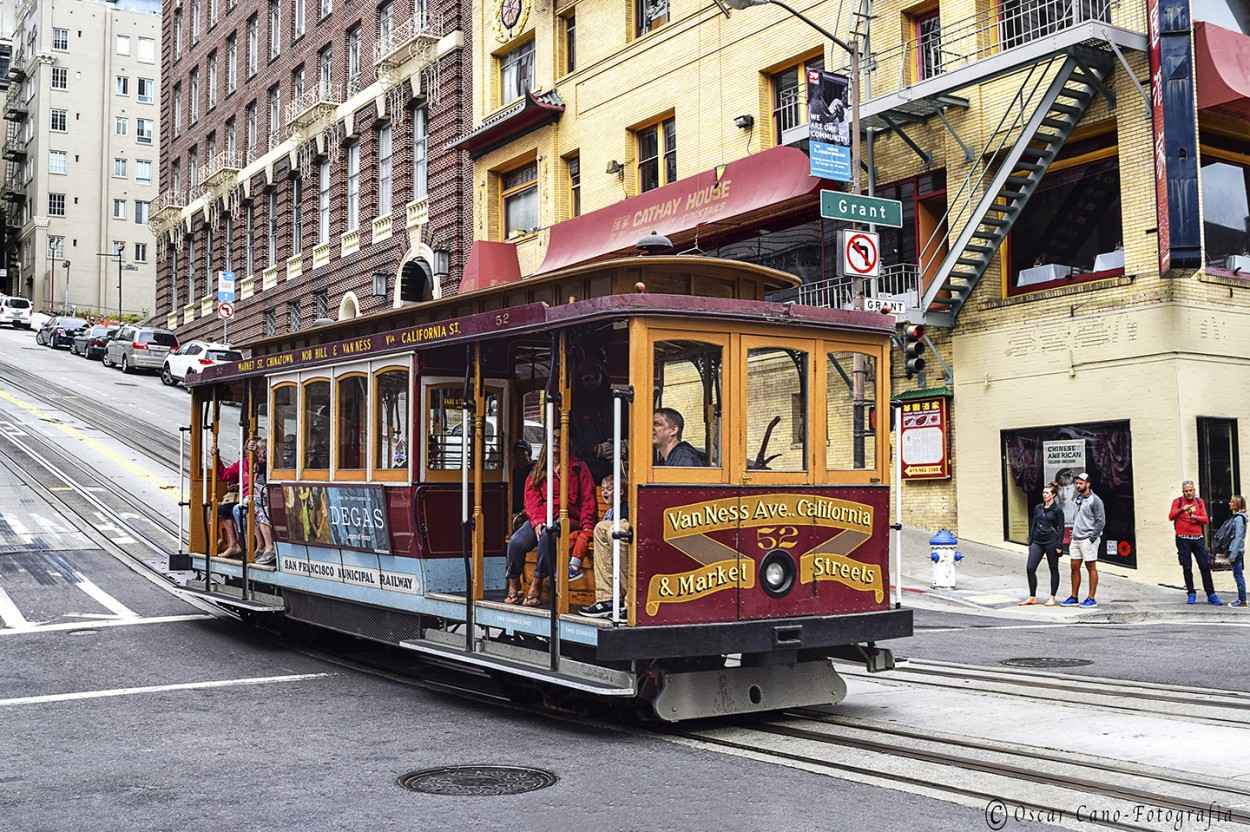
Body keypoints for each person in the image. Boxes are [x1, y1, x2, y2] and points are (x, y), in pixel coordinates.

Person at [503, 430, 595, 607]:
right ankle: (514, 583)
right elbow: (531, 499)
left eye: (560, 439)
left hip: (568, 519)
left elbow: (588, 499)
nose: (556, 441)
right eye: (553, 438)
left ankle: (537, 583)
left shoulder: (578, 468)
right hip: (542, 517)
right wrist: (537, 521)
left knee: (548, 534)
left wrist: (587, 526)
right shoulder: (538, 470)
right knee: (516, 541)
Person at [580, 473, 632, 618]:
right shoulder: (610, 510)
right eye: (603, 489)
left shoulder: (624, 507)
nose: (604, 492)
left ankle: (632, 600)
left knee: (615, 531)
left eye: (608, 489)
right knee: (601, 528)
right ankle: (607, 598)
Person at [1169, 480, 1222, 605]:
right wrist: (1182, 509)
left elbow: (1205, 519)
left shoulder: (1199, 502)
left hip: (1197, 538)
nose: (1189, 493)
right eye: (1186, 491)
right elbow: (1171, 516)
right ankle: (1191, 593)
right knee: (1187, 566)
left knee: (1204, 565)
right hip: (1182, 538)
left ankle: (1211, 594)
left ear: (1194, 490)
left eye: (1191, 490)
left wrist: (1195, 517)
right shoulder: (1178, 502)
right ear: (1183, 492)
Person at [569, 357, 619, 484]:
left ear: (603, 377)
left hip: (616, 467)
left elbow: (629, 428)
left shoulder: (616, 401)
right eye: (587, 378)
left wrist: (621, 446)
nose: (592, 382)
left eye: (596, 377)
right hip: (585, 471)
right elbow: (567, 440)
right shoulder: (572, 405)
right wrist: (595, 448)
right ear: (580, 381)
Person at [1060, 472, 1104, 607]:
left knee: (1091, 567)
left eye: (1081, 483)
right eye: (1077, 483)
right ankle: (1074, 596)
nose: (1078, 486)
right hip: (1076, 538)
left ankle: (1091, 598)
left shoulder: (1095, 500)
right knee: (1074, 567)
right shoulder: (1077, 499)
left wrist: (1092, 538)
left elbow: (1100, 521)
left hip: (1088, 538)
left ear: (1088, 484)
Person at [1020, 481, 1064, 607]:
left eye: (1047, 493)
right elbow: (1034, 524)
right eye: (1043, 492)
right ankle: (1032, 596)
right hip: (1038, 541)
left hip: (1051, 541)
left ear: (1053, 495)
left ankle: (1052, 597)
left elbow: (1061, 528)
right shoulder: (1038, 508)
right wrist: (1031, 542)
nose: (1044, 495)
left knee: (1053, 569)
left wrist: (1059, 545)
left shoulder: (1057, 510)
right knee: (1030, 568)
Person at [233, 437, 276, 565]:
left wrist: (255, 452)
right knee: (250, 507)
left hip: (268, 495)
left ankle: (270, 547)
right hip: (261, 494)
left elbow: (265, 463)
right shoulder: (260, 464)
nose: (259, 455)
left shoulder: (270, 460)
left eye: (260, 452)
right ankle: (260, 546)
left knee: (258, 506)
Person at [1220, 495, 1247, 607]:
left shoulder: (1239, 518)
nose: (1229, 504)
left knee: (1238, 576)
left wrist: (1233, 554)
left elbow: (1238, 536)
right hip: (1235, 550)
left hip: (1237, 551)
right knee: (1238, 575)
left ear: (1236, 504)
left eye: (1232, 502)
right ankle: (1242, 599)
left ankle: (1242, 600)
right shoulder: (1237, 517)